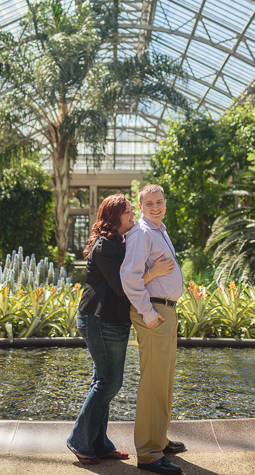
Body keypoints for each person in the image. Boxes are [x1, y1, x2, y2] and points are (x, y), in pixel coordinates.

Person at [67, 194, 175, 465]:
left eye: (130, 211)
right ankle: (80, 441)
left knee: (103, 381)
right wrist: (156, 272)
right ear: (114, 218)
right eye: (127, 213)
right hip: (98, 320)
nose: (132, 216)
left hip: (112, 321)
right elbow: (121, 286)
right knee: (108, 382)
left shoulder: (121, 242)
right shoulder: (105, 246)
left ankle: (99, 444)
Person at [120, 184, 186, 475]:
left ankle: (159, 439)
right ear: (141, 205)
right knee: (153, 384)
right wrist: (147, 314)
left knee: (165, 381)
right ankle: (148, 453)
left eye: (159, 202)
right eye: (149, 204)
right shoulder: (142, 233)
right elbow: (129, 277)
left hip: (165, 311)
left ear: (165, 203)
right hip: (154, 313)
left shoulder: (159, 229)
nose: (155, 207)